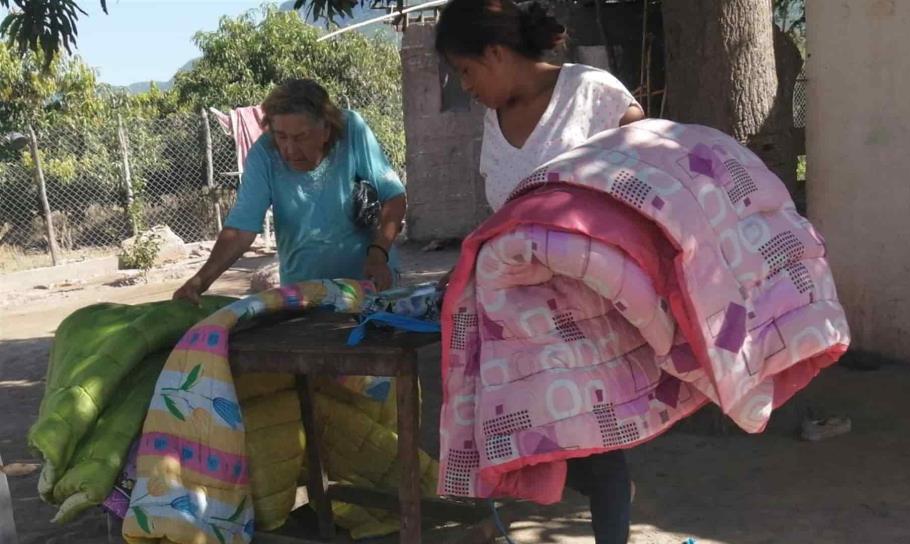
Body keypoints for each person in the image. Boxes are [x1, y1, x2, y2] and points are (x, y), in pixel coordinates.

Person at [435, 1, 645, 542]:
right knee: (530, 431)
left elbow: (651, 172)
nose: (465, 85)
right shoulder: (496, 116)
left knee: (600, 440)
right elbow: (502, 211)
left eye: (465, 70)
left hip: (595, 304)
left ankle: (612, 508)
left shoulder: (591, 92)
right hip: (527, 317)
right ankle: (610, 491)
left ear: (496, 53)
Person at [174, 79, 406, 302]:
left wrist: (378, 255)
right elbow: (241, 230)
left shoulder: (352, 130)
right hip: (304, 293)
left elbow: (393, 196)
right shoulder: (263, 155)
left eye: (300, 137)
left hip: (370, 283)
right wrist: (200, 281)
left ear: (326, 130)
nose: (288, 149)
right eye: (280, 136)